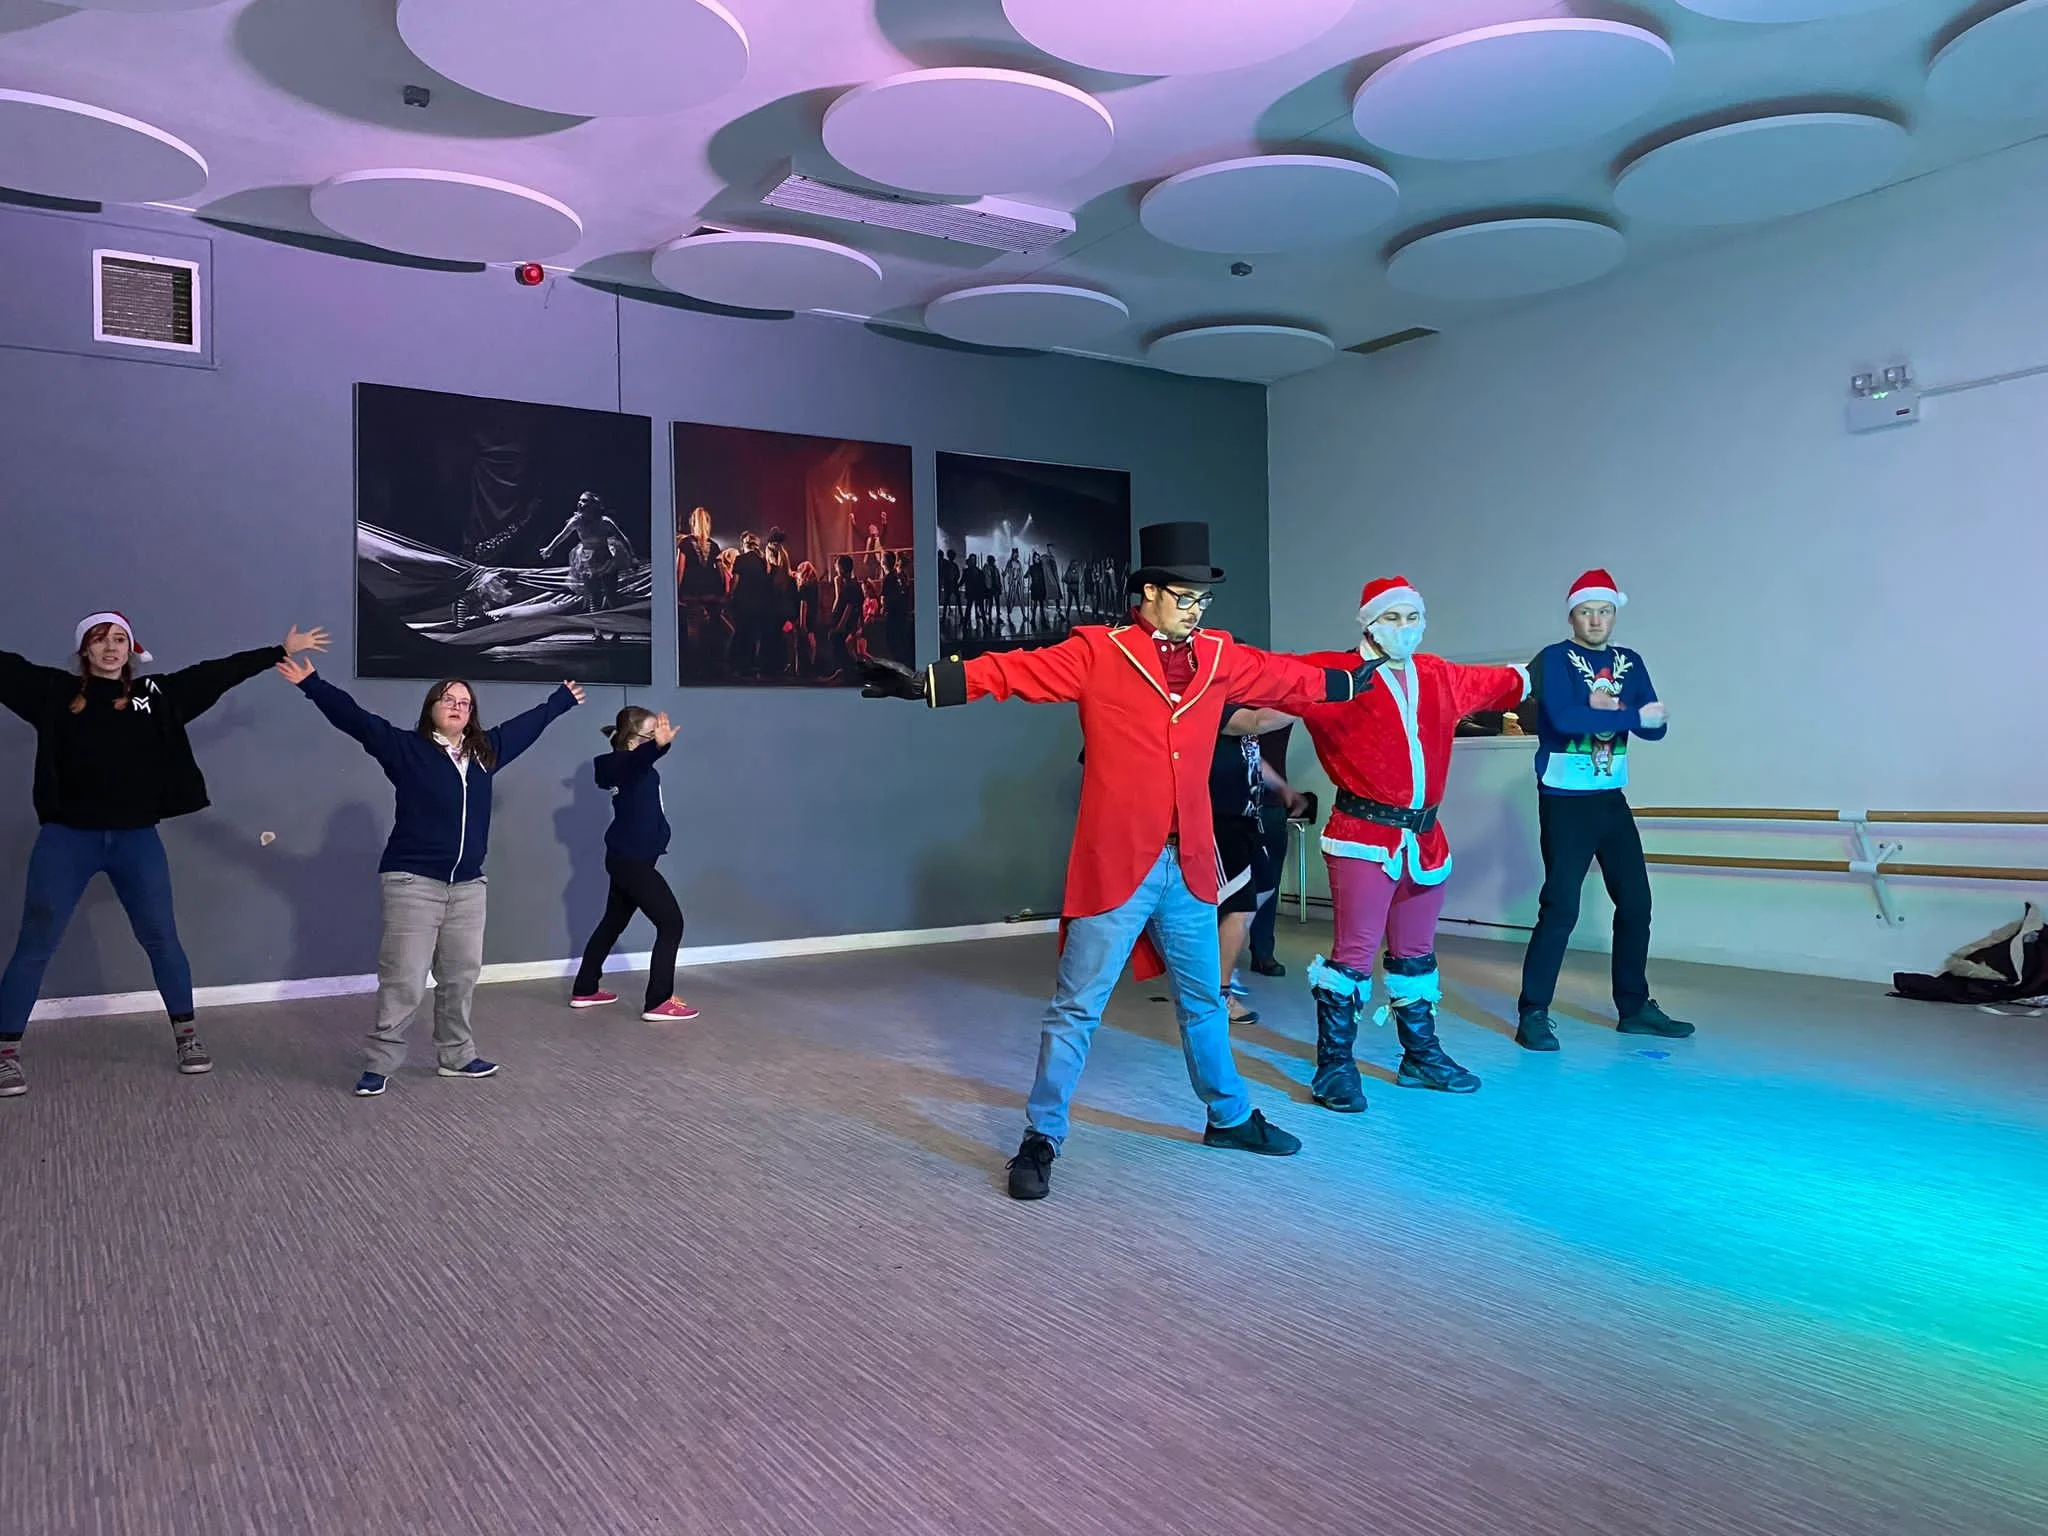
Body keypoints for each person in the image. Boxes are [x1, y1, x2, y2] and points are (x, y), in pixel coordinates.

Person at [860, 521, 1383, 1200]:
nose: (1196, 610)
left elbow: (1283, 675)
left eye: (1203, 599)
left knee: (1204, 1000)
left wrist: (1349, 680)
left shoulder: (1219, 655)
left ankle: (1228, 1117)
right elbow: (1017, 671)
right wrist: (932, 682)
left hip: (1189, 866)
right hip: (1118, 867)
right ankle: (1042, 1136)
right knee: (1077, 1008)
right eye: (1185, 597)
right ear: (1149, 594)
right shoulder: (1099, 653)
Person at [0, 613, 329, 1098]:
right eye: (99, 640)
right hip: (66, 840)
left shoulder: (154, 695)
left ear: (131, 649)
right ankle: (6, 1055)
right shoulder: (52, 692)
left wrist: (277, 651)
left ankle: (187, 1036)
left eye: (119, 640)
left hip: (135, 840)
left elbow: (215, 674)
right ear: (85, 650)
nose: (110, 648)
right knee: (36, 943)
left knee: (161, 938)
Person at [276, 658, 584, 1096]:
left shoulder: (485, 753)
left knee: (460, 977)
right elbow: (356, 720)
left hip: (468, 886)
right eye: (448, 699)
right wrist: (312, 684)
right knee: (404, 979)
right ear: (432, 708)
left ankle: (456, 1056)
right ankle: (380, 1063)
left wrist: (560, 700)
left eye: (465, 702)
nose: (457, 706)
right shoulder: (406, 749)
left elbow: (527, 726)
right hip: (412, 882)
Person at [1289, 578, 1531, 1110]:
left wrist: (1559, 672)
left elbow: (1506, 681)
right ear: (1369, 623)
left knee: (1416, 954)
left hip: (1424, 838)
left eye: (1412, 617)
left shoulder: (1437, 674)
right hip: (1363, 836)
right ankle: (1334, 1066)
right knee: (1352, 957)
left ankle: (1420, 1056)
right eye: (1392, 618)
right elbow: (1267, 681)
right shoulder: (1335, 672)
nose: (1404, 628)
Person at [1515, 569, 1691, 1049]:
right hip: (1564, 801)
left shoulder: (1629, 661)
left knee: (1636, 904)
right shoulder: (1554, 659)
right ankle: (1533, 1012)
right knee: (1561, 907)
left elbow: (1657, 728)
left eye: (1605, 611)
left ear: (1615, 614)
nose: (1596, 620)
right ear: (1572, 615)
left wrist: (1611, 710)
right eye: (1587, 611)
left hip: (1610, 798)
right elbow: (1565, 718)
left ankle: (1634, 1008)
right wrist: (1625, 712)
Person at [570, 706, 696, 1021]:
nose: (658, 738)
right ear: (631, 741)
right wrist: (658, 747)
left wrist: (654, 747)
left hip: (629, 859)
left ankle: (585, 988)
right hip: (632, 862)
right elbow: (634, 761)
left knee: (612, 922)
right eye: (651, 734)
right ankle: (658, 1001)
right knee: (671, 923)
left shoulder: (636, 767)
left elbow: (641, 763)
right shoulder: (624, 765)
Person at [1211, 706, 1305, 1026]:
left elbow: (1252, 756)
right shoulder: (1218, 705)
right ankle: (1219, 994)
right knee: (1239, 907)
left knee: (1262, 887)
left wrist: (1282, 788)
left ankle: (1215, 966)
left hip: (1246, 820)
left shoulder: (1240, 717)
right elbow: (1258, 721)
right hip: (1219, 820)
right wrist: (1311, 698)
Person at [1245, 716, 1300, 977]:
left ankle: (1263, 951)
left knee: (1268, 881)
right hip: (1227, 800)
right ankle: (1217, 954)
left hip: (1269, 802)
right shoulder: (1229, 700)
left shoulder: (1284, 701)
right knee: (1219, 883)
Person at [540, 491, 636, 614]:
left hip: (606, 559)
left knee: (611, 595)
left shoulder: (605, 522)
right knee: (594, 596)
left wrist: (632, 557)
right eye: (580, 500)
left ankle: (616, 622)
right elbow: (562, 536)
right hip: (587, 561)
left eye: (584, 501)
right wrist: (549, 548)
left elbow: (622, 538)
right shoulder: (576, 521)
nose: (580, 503)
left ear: (594, 505)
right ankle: (596, 624)